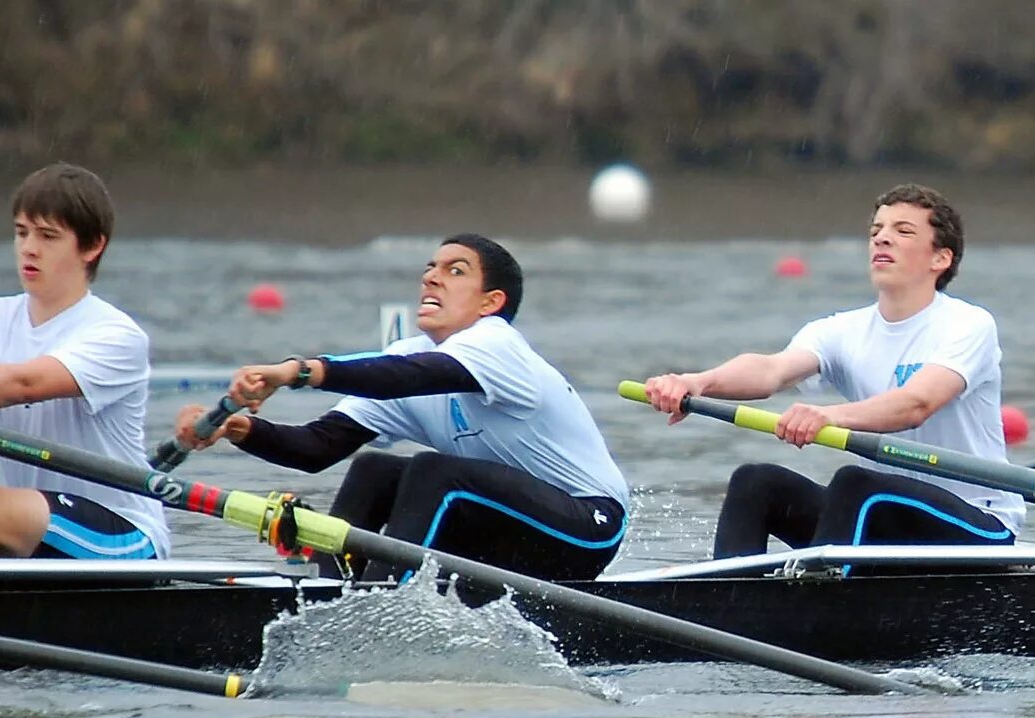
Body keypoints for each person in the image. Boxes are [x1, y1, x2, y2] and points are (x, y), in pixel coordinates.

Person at [176, 233, 628, 582]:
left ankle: (382, 604)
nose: (430, 277)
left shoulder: (497, 345)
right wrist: (239, 430)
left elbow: (405, 375)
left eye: (455, 271)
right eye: (430, 268)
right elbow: (316, 447)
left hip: (586, 527)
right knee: (374, 469)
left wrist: (297, 371)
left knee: (435, 471)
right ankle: (329, 595)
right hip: (505, 528)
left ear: (491, 303)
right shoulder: (411, 357)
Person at [644, 183, 1025, 564]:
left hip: (977, 524)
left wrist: (827, 415)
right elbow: (770, 371)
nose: (883, 239)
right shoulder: (842, 331)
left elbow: (917, 403)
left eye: (903, 231)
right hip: (884, 517)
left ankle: (819, 602)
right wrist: (698, 382)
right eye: (877, 231)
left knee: (855, 484)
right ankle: (725, 599)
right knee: (755, 481)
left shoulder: (968, 324)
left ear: (940, 258)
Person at [0, 163, 170, 589]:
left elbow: (22, 384)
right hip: (39, 531)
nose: (29, 248)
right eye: (22, 232)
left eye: (48, 236)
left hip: (123, 538)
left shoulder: (115, 335)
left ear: (92, 246)